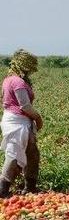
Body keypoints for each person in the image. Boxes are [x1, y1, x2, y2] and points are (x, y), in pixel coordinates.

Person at [1, 49, 43, 198]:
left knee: (32, 154)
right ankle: (2, 189)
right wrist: (38, 118)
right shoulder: (17, 81)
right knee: (14, 154)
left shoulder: (8, 80)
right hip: (17, 122)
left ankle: (30, 187)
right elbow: (24, 106)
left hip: (14, 120)